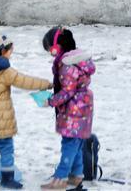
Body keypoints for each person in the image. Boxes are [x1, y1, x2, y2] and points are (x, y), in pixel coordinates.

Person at [0, 32, 51, 188]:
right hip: (2, 119)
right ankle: (7, 178)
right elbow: (26, 81)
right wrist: (46, 84)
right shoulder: (5, 70)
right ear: (3, 51)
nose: (11, 54)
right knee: (6, 148)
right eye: (10, 51)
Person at [41, 27, 95, 191]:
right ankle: (76, 175)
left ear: (56, 47)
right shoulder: (77, 61)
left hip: (74, 109)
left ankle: (61, 178)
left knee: (69, 144)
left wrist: (50, 101)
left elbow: (67, 91)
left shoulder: (67, 65)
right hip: (83, 107)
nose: (51, 52)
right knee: (76, 143)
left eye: (50, 49)